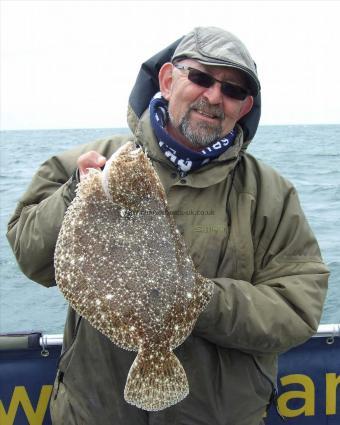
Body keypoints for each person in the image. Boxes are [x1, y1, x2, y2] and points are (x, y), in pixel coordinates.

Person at [7, 26, 329, 425]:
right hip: (95, 413)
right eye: (200, 78)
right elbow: (32, 257)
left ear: (244, 108)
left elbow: (298, 308)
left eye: (232, 91)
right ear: (167, 79)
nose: (214, 97)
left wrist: (198, 300)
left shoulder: (271, 194)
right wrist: (76, 193)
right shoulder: (92, 164)